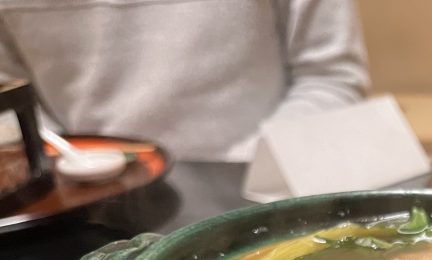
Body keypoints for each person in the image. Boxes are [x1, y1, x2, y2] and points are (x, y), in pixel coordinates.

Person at [0, 0, 369, 161]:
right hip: (83, 220)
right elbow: (9, 103)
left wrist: (272, 181)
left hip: (262, 201)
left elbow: (330, 78)